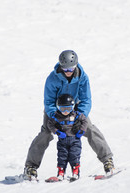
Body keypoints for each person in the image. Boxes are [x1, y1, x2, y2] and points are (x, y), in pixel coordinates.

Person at [23, 50, 114, 180]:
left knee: (89, 128)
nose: (68, 72)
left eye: (71, 69)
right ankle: (30, 167)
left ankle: (108, 160)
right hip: (55, 110)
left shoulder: (82, 77)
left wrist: (79, 116)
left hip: (74, 108)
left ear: (76, 66)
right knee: (46, 133)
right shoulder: (52, 78)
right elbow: (48, 101)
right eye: (65, 69)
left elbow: (86, 99)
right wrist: (54, 116)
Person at [47, 94, 88, 180]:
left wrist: (81, 130)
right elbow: (50, 124)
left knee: (74, 155)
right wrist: (57, 132)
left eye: (68, 108)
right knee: (62, 156)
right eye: (62, 109)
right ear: (58, 107)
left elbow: (84, 120)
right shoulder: (56, 117)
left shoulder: (76, 115)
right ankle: (61, 172)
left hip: (75, 140)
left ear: (72, 107)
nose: (65, 111)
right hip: (62, 140)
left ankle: (75, 171)